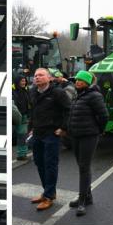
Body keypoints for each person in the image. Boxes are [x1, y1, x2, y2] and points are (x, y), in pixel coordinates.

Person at [64, 70, 108, 216]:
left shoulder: (94, 96)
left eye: (80, 80)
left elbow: (103, 115)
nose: (77, 82)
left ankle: (82, 201)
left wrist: (99, 130)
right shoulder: (78, 95)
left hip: (89, 136)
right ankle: (88, 197)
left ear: (88, 82)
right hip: (76, 135)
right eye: (76, 80)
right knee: (81, 166)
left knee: (84, 167)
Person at [29, 67, 71, 211]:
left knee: (50, 164)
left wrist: (63, 128)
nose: (37, 77)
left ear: (49, 78)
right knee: (39, 163)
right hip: (37, 133)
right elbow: (33, 111)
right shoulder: (33, 91)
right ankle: (46, 191)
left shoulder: (57, 93)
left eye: (41, 75)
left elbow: (68, 110)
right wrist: (30, 127)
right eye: (35, 75)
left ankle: (48, 196)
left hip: (51, 134)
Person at [13, 75, 32, 161]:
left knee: (22, 136)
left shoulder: (26, 90)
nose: (23, 82)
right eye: (21, 81)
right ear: (17, 82)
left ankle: (22, 154)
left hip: (24, 116)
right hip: (14, 116)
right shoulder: (12, 91)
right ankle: (22, 154)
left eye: (24, 81)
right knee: (20, 135)